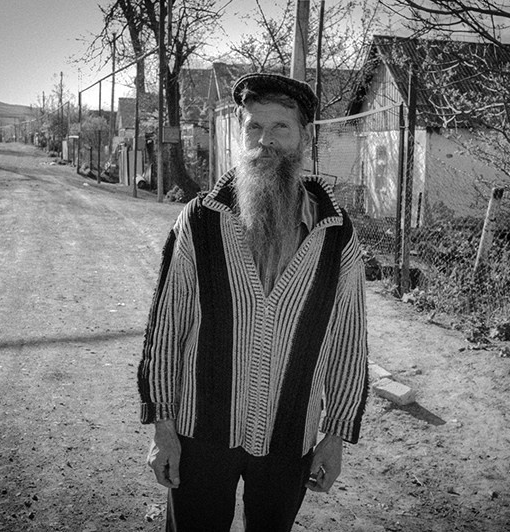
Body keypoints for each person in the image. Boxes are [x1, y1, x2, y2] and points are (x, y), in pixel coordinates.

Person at [137, 72, 369, 532]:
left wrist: (336, 435)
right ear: (241, 135)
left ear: (305, 137)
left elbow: (348, 342)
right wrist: (163, 427)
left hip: (290, 435)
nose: (265, 141)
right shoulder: (200, 221)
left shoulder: (336, 234)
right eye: (254, 127)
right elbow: (166, 328)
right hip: (201, 430)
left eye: (280, 127)